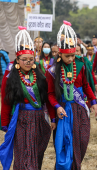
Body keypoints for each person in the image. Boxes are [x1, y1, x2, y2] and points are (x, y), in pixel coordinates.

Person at [0, 26, 56, 170]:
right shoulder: (10, 76)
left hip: (38, 119)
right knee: (22, 153)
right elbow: (6, 101)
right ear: (17, 59)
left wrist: (53, 117)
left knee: (35, 153)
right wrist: (5, 122)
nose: (28, 62)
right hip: (20, 119)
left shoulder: (40, 76)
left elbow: (46, 98)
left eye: (31, 59)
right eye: (24, 59)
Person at [47, 21, 97, 169]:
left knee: (81, 141)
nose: (71, 59)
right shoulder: (52, 71)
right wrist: (56, 107)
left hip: (79, 110)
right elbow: (50, 94)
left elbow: (86, 86)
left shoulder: (80, 65)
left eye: (73, 55)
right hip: (62, 111)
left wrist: (94, 102)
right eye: (67, 56)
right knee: (63, 145)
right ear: (59, 53)